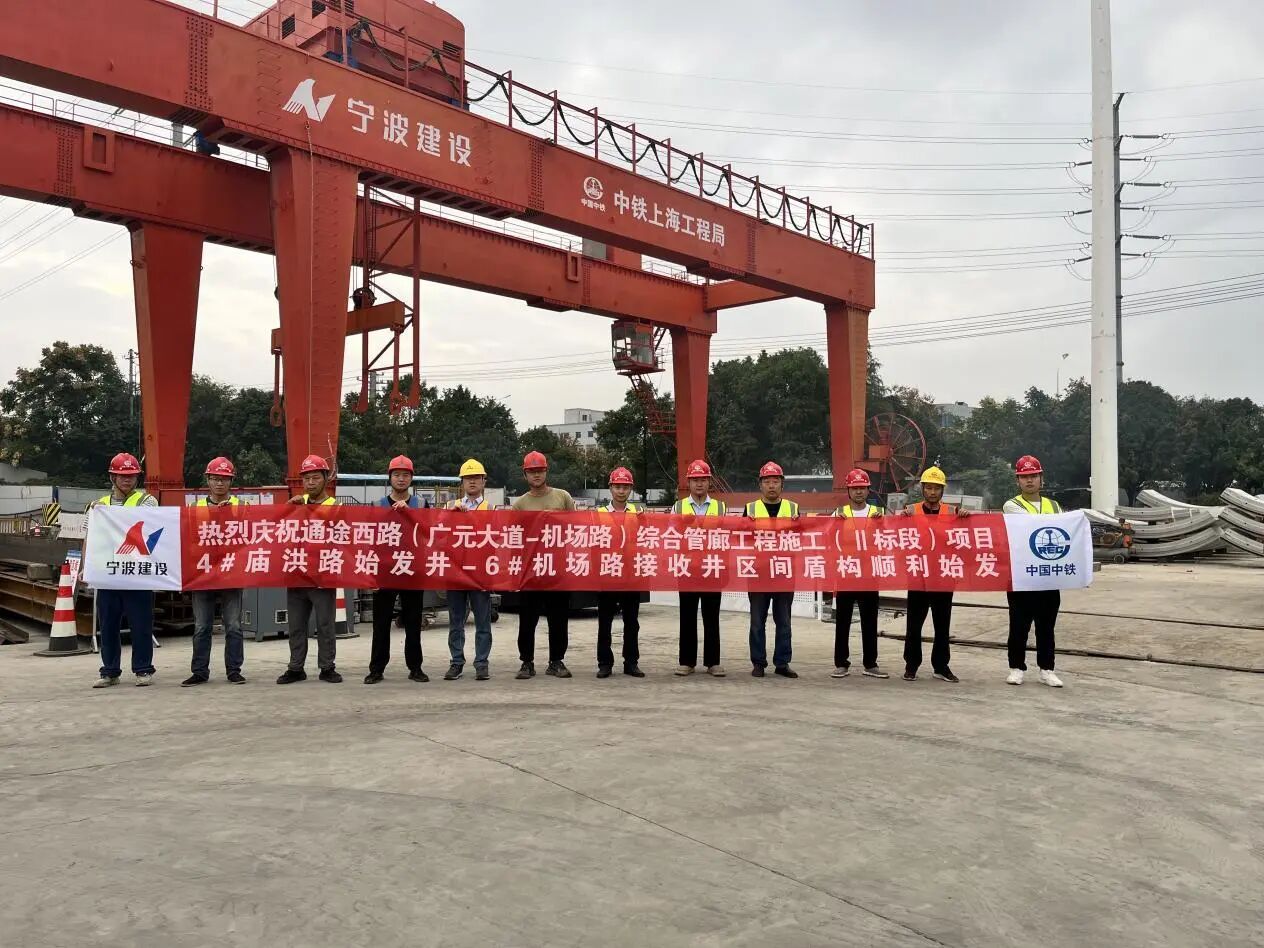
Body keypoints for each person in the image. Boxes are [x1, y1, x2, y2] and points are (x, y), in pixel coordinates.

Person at [91, 452, 159, 689]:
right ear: (113, 477)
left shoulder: (147, 501)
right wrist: (87, 568)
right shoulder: (98, 505)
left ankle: (143, 669)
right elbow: (89, 536)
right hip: (109, 574)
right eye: (122, 475)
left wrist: (108, 515)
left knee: (141, 625)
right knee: (108, 625)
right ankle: (109, 672)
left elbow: (151, 525)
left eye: (131, 475)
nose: (127, 479)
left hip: (137, 573)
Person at [511, 451, 577, 680]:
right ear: (525, 475)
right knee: (527, 619)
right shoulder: (520, 504)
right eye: (532, 472)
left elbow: (575, 528)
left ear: (546, 472)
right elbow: (515, 538)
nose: (536, 475)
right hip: (531, 570)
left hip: (557, 568)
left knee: (558, 618)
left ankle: (556, 661)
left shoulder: (562, 497)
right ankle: (526, 662)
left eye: (540, 471)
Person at [277, 454, 342, 685]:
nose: (311, 483)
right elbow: (276, 531)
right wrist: (287, 510)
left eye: (316, 477)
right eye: (306, 478)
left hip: (322, 576)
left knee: (325, 625)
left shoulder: (336, 507)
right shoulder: (296, 504)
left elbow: (344, 539)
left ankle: (327, 667)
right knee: (296, 625)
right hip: (297, 574)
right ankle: (296, 668)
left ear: (326, 479)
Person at [900, 465, 968, 684]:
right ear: (922, 489)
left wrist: (966, 518)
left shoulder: (953, 512)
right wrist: (901, 519)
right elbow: (898, 537)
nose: (932, 492)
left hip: (943, 575)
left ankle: (941, 666)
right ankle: (911, 665)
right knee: (914, 624)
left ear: (942, 490)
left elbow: (965, 538)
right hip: (918, 575)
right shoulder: (910, 511)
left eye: (936, 488)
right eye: (928, 488)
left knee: (942, 625)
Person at [182, 457, 247, 687]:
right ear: (208, 480)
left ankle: (234, 671)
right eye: (215, 479)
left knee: (234, 626)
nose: (220, 483)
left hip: (231, 572)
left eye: (224, 479)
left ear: (231, 481)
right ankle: (199, 671)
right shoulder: (194, 509)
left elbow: (253, 535)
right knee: (202, 626)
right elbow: (186, 539)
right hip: (203, 574)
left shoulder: (242, 507)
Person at [1003, 455, 1064, 688]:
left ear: (1041, 478)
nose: (1029, 480)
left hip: (1048, 574)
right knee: (1019, 625)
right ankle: (1016, 668)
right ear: (1017, 481)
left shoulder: (1055, 506)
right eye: (1024, 476)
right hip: (1022, 576)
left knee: (1046, 626)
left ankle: (1047, 669)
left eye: (1033, 476)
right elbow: (1033, 525)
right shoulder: (1012, 505)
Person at [365, 455, 427, 684]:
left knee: (413, 622)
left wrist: (410, 513)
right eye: (397, 475)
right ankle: (376, 669)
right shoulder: (376, 505)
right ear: (389, 478)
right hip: (385, 570)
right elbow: (369, 540)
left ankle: (415, 667)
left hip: (412, 569)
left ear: (411, 478)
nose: (401, 479)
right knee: (381, 623)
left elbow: (428, 532)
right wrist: (371, 575)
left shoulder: (421, 505)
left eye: (405, 475)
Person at [744, 461, 800, 679]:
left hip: (784, 573)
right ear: (760, 485)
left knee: (784, 622)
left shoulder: (793, 509)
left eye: (775, 481)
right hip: (759, 573)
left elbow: (803, 538)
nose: (771, 486)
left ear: (782, 484)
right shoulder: (750, 509)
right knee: (757, 622)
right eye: (767, 482)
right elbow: (741, 540)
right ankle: (758, 663)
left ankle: (782, 663)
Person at [673, 459, 727, 677]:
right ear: (688, 482)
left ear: (709, 482)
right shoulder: (678, 507)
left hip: (712, 568)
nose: (699, 483)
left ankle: (713, 662)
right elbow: (671, 537)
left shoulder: (720, 507)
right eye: (695, 480)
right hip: (687, 568)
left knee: (711, 617)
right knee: (687, 616)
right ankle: (687, 662)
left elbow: (727, 537)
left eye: (703, 479)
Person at [832, 468, 887, 680]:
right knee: (843, 621)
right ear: (848, 490)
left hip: (869, 574)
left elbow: (890, 538)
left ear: (868, 490)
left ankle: (870, 664)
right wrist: (834, 525)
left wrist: (882, 524)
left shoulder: (878, 513)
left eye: (862, 488)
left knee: (870, 621)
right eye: (854, 488)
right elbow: (827, 538)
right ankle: (841, 663)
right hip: (846, 572)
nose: (858, 492)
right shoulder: (839, 513)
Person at [445, 458, 494, 682]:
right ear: (462, 482)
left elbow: (497, 539)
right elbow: (438, 534)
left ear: (484, 481)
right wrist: (451, 516)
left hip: (480, 573)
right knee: (456, 621)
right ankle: (456, 662)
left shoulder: (491, 508)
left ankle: (481, 663)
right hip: (455, 572)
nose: (472, 482)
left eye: (476, 478)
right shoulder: (450, 507)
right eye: (467, 478)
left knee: (483, 621)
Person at [595, 467, 646, 679]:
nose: (621, 491)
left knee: (632, 622)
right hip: (607, 573)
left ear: (631, 489)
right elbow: (593, 545)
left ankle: (631, 662)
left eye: (625, 487)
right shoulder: (599, 514)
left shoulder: (638, 513)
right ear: (610, 488)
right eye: (617, 486)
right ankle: (605, 663)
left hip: (631, 575)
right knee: (605, 622)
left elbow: (646, 542)